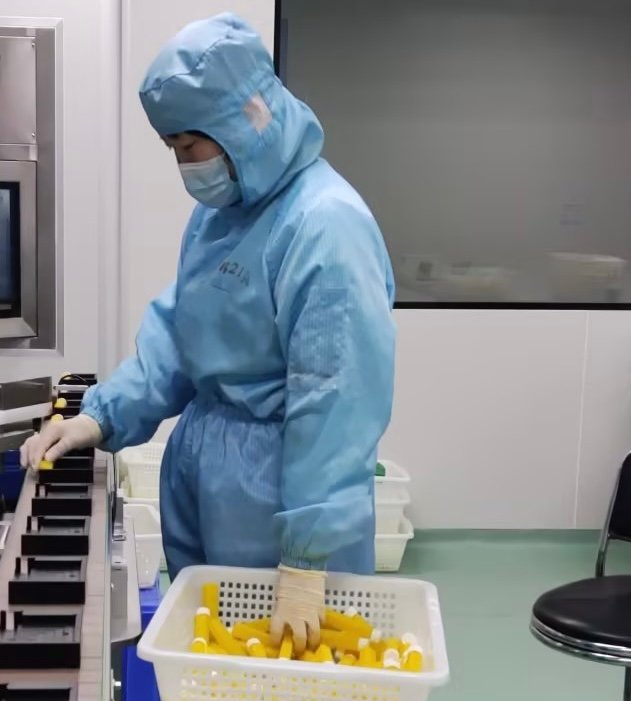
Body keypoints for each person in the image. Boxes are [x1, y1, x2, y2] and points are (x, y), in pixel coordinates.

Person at [22, 13, 395, 650]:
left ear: (247, 119)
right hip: (207, 466)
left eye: (189, 147)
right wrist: (99, 417)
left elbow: (336, 400)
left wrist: (306, 557)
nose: (185, 166)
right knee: (214, 656)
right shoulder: (221, 215)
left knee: (291, 670)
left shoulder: (325, 226)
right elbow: (180, 332)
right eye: (171, 149)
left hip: (279, 490)